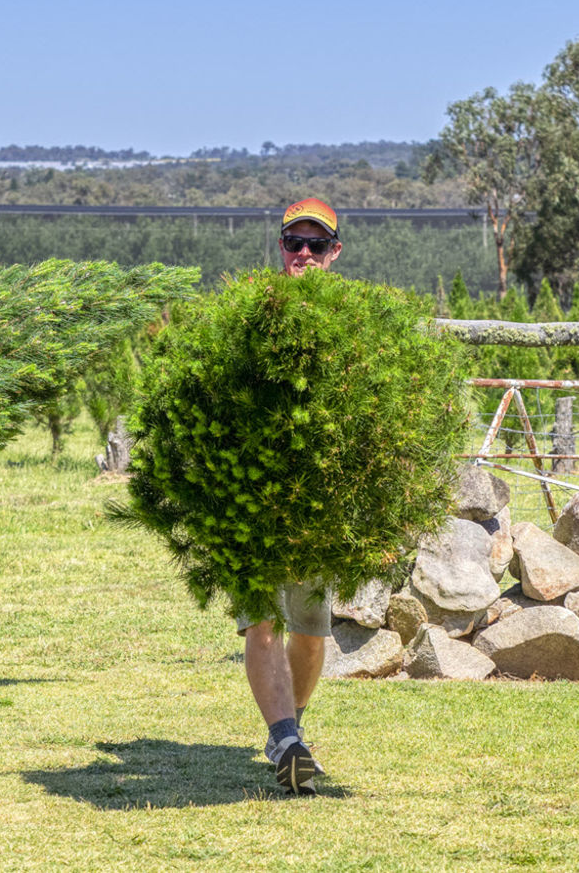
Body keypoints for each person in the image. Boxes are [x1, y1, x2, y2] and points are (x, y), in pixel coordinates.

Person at [240, 198, 343, 795]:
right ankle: (284, 737)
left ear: (334, 252)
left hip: (318, 501)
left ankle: (292, 728)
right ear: (280, 246)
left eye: (315, 245)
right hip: (251, 494)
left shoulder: (352, 323)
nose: (302, 254)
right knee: (261, 620)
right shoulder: (252, 310)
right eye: (292, 243)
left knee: (309, 629)